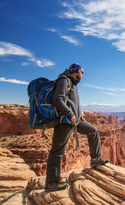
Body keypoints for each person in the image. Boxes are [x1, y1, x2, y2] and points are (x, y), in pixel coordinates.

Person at [45, 63, 109, 192]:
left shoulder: (72, 82)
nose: (83, 75)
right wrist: (70, 114)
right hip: (65, 121)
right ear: (76, 71)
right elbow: (57, 100)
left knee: (93, 131)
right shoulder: (64, 80)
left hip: (75, 120)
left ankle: (95, 159)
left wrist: (79, 114)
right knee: (57, 151)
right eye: (82, 72)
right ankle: (51, 182)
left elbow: (71, 102)